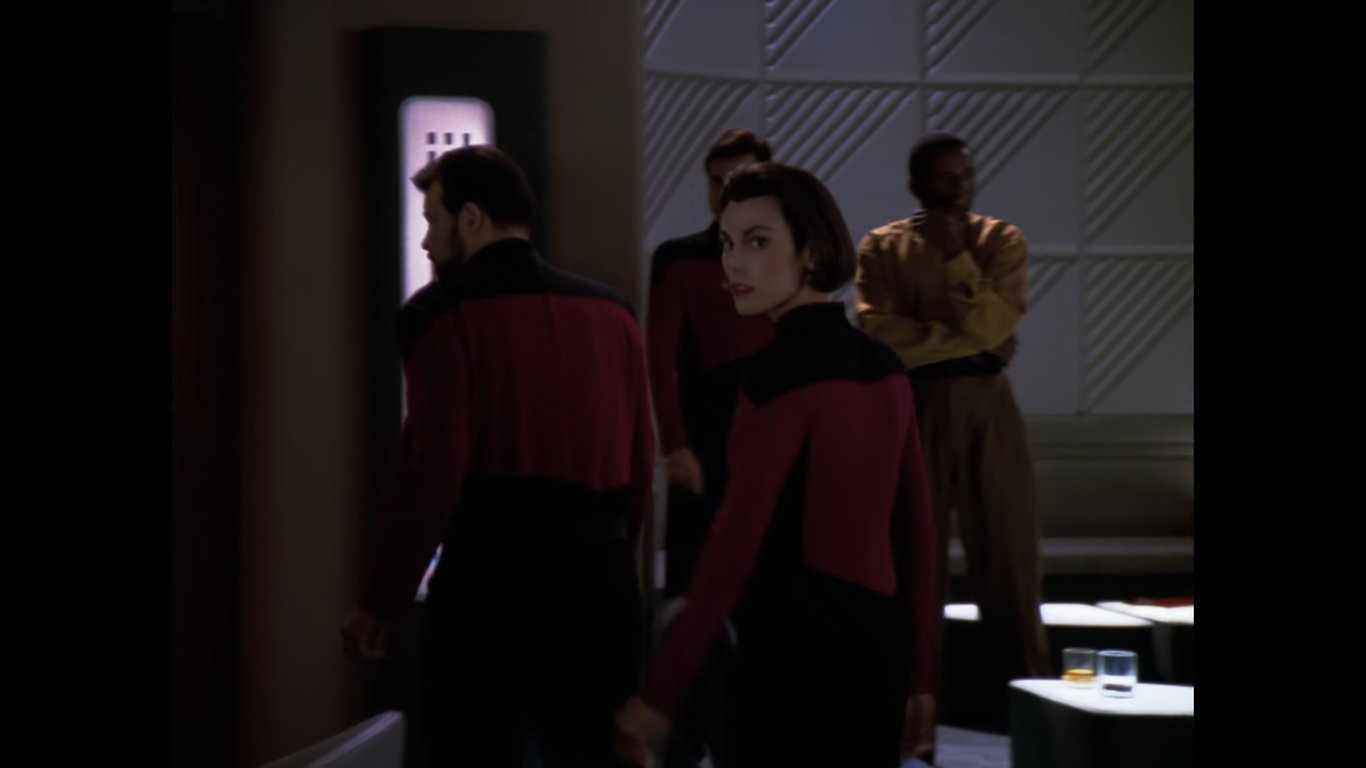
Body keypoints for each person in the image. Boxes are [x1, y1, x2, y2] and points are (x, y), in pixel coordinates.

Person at [340, 145, 655, 767]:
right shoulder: (612, 313)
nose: (426, 241)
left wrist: (382, 599)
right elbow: (641, 462)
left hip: (489, 589)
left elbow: (432, 471)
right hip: (603, 586)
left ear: (472, 219)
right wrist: (621, 562)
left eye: (433, 220)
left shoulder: (438, 315)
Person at [616, 162, 940, 767]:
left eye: (757, 242)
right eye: (727, 243)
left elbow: (733, 545)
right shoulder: (884, 363)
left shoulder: (775, 374)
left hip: (795, 655)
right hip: (879, 647)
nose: (733, 264)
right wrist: (922, 676)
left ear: (810, 251)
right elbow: (918, 535)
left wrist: (659, 696)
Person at [854, 132, 1051, 736]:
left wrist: (956, 260)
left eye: (966, 174)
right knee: (917, 566)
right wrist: (970, 339)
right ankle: (913, 722)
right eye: (945, 177)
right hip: (919, 405)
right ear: (917, 185)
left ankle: (1035, 723)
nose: (960, 187)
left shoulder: (1000, 241)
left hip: (990, 405)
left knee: (1012, 562)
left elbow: (995, 322)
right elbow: (881, 335)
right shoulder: (882, 247)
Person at [646, 128, 775, 767]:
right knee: (694, 599)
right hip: (704, 443)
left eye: (740, 180)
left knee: (768, 598)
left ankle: (751, 742)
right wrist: (677, 447)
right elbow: (659, 360)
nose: (726, 192)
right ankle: (686, 739)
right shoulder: (679, 259)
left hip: (772, 440)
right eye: (717, 181)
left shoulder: (793, 253)